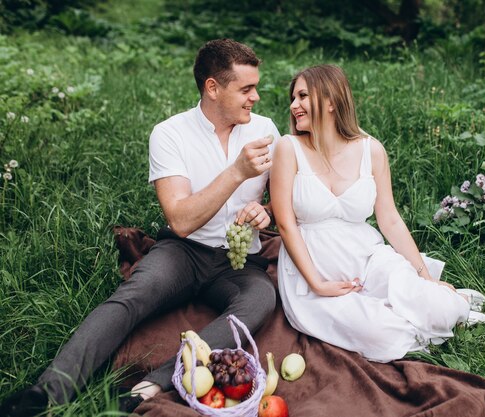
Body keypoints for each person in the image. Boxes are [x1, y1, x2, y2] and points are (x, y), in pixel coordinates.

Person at [0, 38, 280, 416]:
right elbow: (179, 219)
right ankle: (47, 392)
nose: (256, 97)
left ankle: (155, 384)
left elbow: (281, 202)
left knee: (261, 300)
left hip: (238, 261)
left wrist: (265, 212)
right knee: (134, 295)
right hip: (184, 251)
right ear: (213, 88)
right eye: (246, 89)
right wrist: (236, 173)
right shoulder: (170, 133)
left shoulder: (265, 131)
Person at [270, 64, 485, 362]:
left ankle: (450, 302)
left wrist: (425, 277)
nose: (294, 105)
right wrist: (317, 283)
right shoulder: (288, 148)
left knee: (437, 305)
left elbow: (390, 219)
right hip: (313, 274)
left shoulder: (370, 150)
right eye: (293, 98)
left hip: (367, 258)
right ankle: (411, 317)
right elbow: (285, 223)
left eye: (303, 96)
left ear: (332, 100)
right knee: (380, 335)